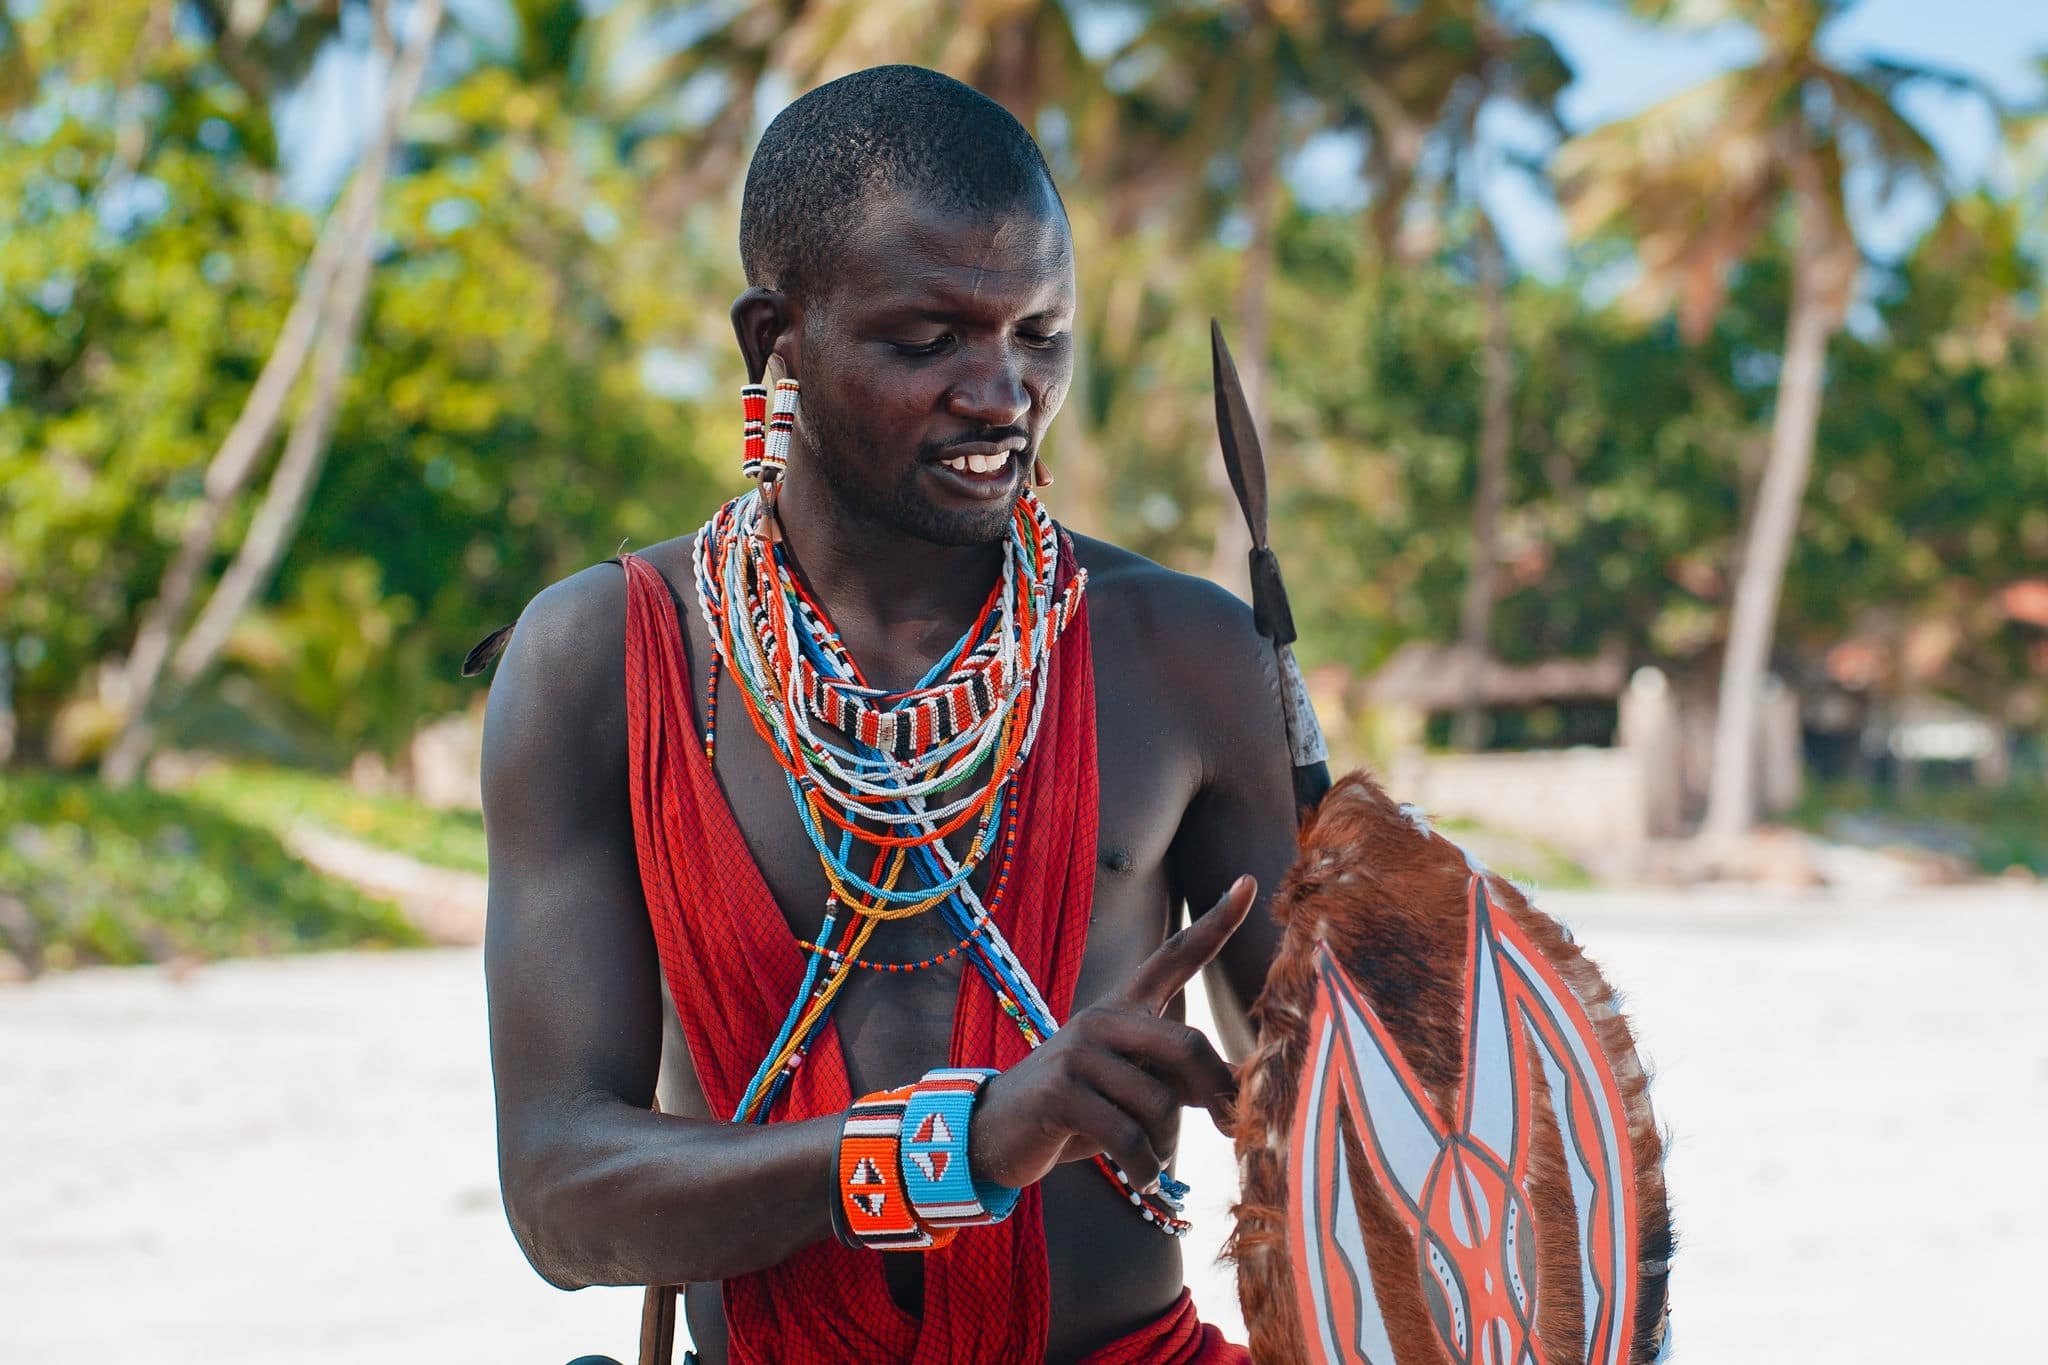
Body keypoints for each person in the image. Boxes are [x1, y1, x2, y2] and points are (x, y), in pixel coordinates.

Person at [480, 64, 1300, 1364]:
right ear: (776, 343)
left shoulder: (1180, 652)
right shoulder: (606, 660)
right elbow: (558, 1193)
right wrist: (956, 1143)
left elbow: (1341, 1120)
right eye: (929, 340)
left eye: (1041, 335)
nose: (1000, 393)